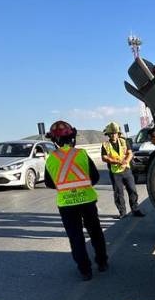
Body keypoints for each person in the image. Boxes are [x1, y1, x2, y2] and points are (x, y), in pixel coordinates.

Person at [44, 120, 108, 280]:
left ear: (54, 140)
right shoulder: (81, 154)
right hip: (87, 201)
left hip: (66, 204)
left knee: (76, 237)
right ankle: (102, 262)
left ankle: (85, 271)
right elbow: (95, 177)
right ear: (72, 138)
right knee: (95, 232)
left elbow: (49, 183)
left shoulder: (50, 159)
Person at [101, 122, 144, 219]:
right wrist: (116, 161)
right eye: (111, 133)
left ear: (118, 133)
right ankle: (122, 212)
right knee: (118, 193)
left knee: (132, 190)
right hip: (115, 173)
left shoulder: (124, 141)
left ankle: (135, 209)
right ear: (108, 134)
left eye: (115, 133)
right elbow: (104, 157)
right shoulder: (105, 145)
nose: (113, 135)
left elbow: (130, 153)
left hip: (126, 170)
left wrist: (126, 161)